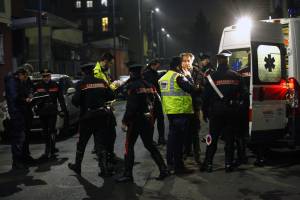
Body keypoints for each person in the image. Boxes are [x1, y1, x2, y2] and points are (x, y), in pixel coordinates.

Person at [116, 64, 170, 183]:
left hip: (135, 121)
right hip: (147, 119)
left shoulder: (132, 86)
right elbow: (156, 101)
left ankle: (128, 174)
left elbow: (131, 106)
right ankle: (163, 168)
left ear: (131, 73)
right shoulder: (150, 85)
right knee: (150, 144)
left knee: (129, 146)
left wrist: (125, 121)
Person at [201, 50, 247, 173]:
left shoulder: (211, 77)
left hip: (216, 112)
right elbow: (244, 94)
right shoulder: (236, 76)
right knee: (229, 139)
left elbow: (205, 97)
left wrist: (204, 112)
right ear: (227, 60)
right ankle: (228, 164)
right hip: (231, 112)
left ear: (218, 60)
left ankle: (209, 163)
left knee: (212, 137)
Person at [68, 63, 115, 176]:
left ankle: (77, 166)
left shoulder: (81, 84)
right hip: (101, 116)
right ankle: (104, 169)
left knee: (82, 143)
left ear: (84, 72)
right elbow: (111, 96)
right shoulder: (101, 82)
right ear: (93, 71)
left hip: (87, 118)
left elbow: (75, 101)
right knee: (100, 143)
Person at [159, 56, 201, 174]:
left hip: (170, 112)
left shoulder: (163, 78)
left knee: (172, 139)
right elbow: (192, 89)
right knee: (178, 141)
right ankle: (179, 167)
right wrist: (189, 77)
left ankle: (171, 163)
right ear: (178, 66)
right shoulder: (178, 77)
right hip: (181, 112)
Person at [35, 69, 68, 160]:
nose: (46, 78)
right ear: (42, 77)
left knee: (51, 129)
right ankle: (49, 147)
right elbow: (34, 98)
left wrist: (63, 110)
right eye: (44, 76)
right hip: (42, 111)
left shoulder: (55, 85)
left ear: (50, 76)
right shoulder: (38, 85)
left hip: (52, 111)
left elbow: (60, 98)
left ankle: (50, 148)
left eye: (47, 76)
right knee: (45, 131)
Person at [93, 52, 118, 163]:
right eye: (110, 63)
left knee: (110, 133)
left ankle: (108, 154)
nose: (110, 65)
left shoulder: (104, 71)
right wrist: (114, 86)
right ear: (105, 61)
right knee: (104, 135)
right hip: (101, 108)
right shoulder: (97, 72)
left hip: (107, 106)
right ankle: (104, 159)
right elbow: (102, 90)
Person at [4, 68, 31, 170]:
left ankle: (18, 160)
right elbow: (15, 97)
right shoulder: (12, 82)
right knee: (17, 138)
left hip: (18, 112)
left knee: (20, 137)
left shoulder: (15, 81)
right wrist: (25, 100)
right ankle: (16, 161)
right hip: (16, 113)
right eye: (24, 77)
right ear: (20, 74)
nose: (24, 79)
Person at [183, 53, 204, 164]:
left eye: (188, 60)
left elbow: (202, 88)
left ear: (192, 61)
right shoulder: (178, 73)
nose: (186, 63)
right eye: (184, 60)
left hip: (195, 106)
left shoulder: (197, 72)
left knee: (195, 132)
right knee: (184, 132)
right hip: (182, 107)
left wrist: (199, 87)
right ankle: (185, 152)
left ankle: (197, 156)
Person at [143, 59, 166, 145]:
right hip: (151, 101)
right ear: (154, 65)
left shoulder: (153, 73)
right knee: (151, 121)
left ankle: (161, 139)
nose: (158, 67)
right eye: (158, 65)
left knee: (160, 119)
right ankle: (151, 140)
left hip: (156, 100)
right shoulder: (147, 74)